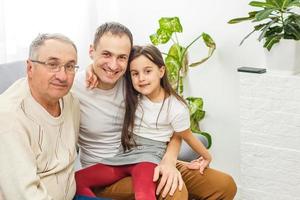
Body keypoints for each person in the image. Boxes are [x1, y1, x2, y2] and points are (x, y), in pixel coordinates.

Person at [72, 22, 237, 200]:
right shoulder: (74, 88)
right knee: (174, 192)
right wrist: (91, 69)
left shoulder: (133, 82)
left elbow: (175, 127)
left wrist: (170, 159)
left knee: (224, 185)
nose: (113, 65)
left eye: (121, 57)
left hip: (152, 158)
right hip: (108, 173)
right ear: (91, 52)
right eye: (106, 54)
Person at [0, 33, 80, 200]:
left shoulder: (71, 100)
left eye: (70, 66)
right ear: (30, 68)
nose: (63, 76)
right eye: (52, 64)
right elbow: (23, 195)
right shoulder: (10, 116)